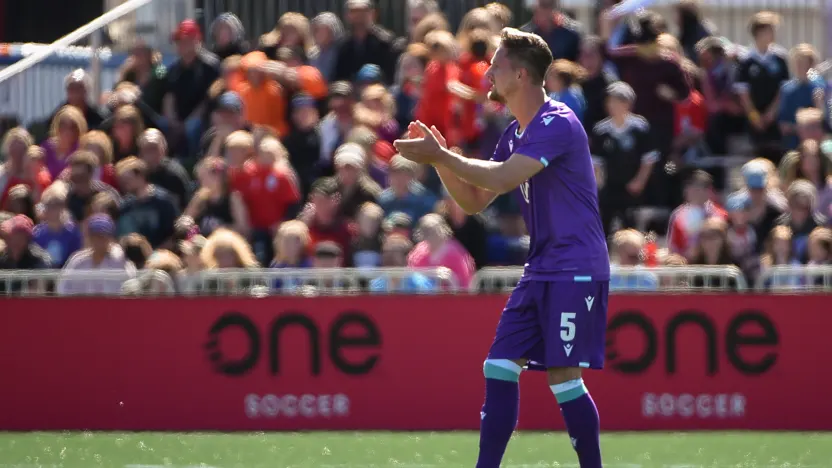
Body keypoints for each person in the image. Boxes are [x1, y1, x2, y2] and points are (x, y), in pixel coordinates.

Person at [393, 28, 609, 468]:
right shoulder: (514, 133)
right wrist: (439, 159)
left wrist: (444, 157)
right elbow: (474, 201)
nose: (487, 73)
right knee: (499, 365)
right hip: (542, 266)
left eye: (496, 65)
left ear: (522, 75)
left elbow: (503, 178)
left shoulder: (557, 122)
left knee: (563, 377)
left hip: (575, 266)